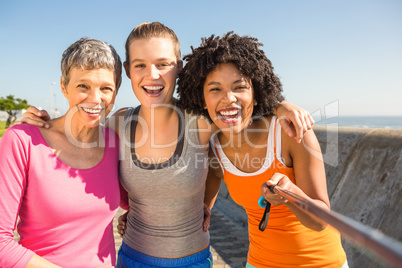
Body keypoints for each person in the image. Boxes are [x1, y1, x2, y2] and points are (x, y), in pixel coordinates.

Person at [20, 22, 313, 267]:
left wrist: (281, 105)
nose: (152, 75)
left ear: (179, 68)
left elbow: (239, 109)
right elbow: (76, 125)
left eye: (163, 64)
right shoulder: (118, 124)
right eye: (140, 65)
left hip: (192, 260)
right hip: (130, 258)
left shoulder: (199, 122)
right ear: (128, 70)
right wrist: (38, 118)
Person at [176, 32, 348, 267]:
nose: (229, 98)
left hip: (321, 263)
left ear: (256, 94)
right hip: (258, 262)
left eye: (240, 87)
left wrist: (290, 195)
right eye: (215, 89)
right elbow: (215, 175)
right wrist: (204, 206)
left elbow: (320, 220)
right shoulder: (214, 149)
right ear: (202, 100)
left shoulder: (291, 134)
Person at [0, 37, 123, 267]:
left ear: (115, 94)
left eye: (106, 88)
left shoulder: (115, 143)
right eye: (83, 86)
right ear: (64, 86)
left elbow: (135, 200)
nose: (95, 99)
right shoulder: (22, 141)